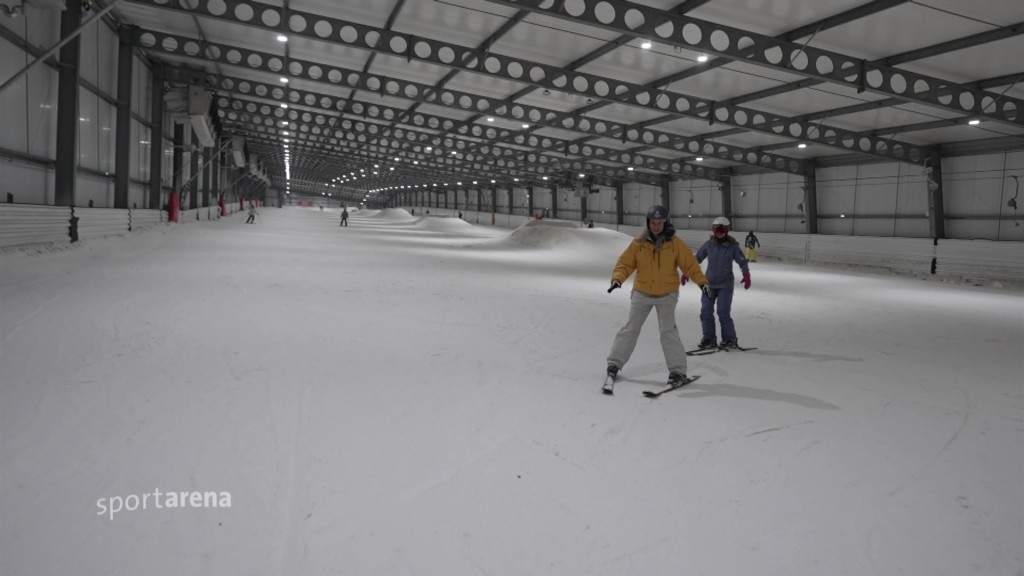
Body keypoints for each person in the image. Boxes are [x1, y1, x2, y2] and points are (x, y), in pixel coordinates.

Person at [606, 205, 711, 386]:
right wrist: (617, 279)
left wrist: (702, 282)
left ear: (665, 223)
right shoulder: (638, 243)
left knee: (668, 332)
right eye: (653, 223)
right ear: (648, 223)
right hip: (642, 293)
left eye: (660, 223)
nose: (656, 226)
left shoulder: (675, 243)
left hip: (667, 295)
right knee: (630, 328)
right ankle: (614, 364)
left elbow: (690, 265)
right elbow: (625, 263)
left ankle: (677, 372)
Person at [682, 216, 750, 350]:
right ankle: (709, 338)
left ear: (727, 230)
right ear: (713, 230)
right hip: (709, 283)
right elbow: (697, 258)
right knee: (706, 310)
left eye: (722, 229)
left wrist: (746, 273)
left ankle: (729, 339)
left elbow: (742, 260)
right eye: (716, 229)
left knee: (723, 311)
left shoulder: (733, 247)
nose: (719, 232)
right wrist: (687, 272)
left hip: (725, 284)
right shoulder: (708, 245)